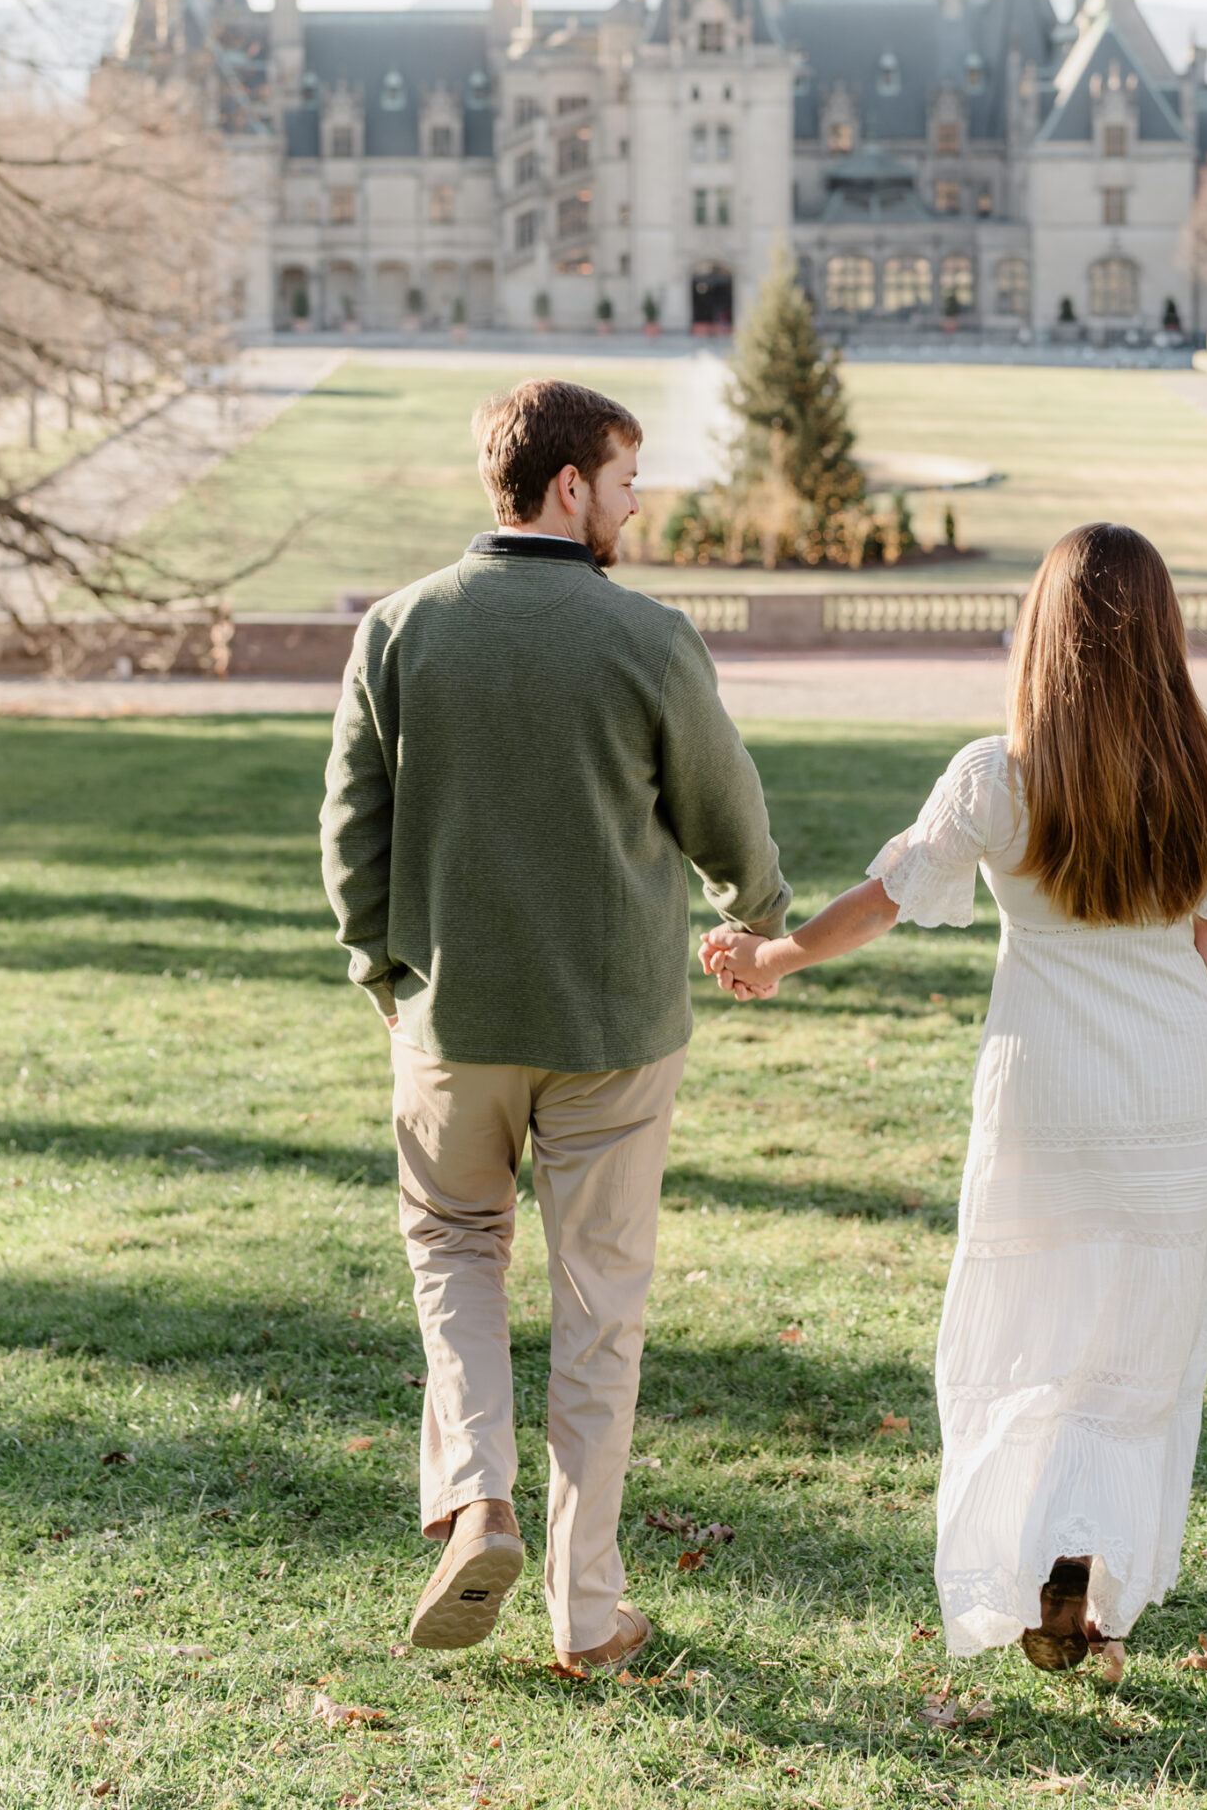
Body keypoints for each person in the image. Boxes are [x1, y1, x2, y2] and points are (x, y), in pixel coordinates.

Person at [703, 522, 1207, 1676]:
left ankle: (1034, 1558)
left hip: (1043, 1095)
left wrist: (775, 957)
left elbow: (886, 898)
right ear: (1162, 631)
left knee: (1027, 1340)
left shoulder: (998, 774)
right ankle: (1090, 1579)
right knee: (1139, 1352)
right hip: (1171, 1091)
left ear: (1041, 634)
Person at [321, 378, 790, 1673]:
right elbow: (727, 818)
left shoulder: (400, 630)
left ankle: (477, 1498)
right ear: (569, 485)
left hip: (449, 1022)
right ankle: (587, 1609)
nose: (636, 508)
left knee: (453, 1254)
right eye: (627, 482)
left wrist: (385, 976)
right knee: (599, 1310)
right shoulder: (647, 638)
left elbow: (348, 836)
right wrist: (760, 918)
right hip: (614, 1031)